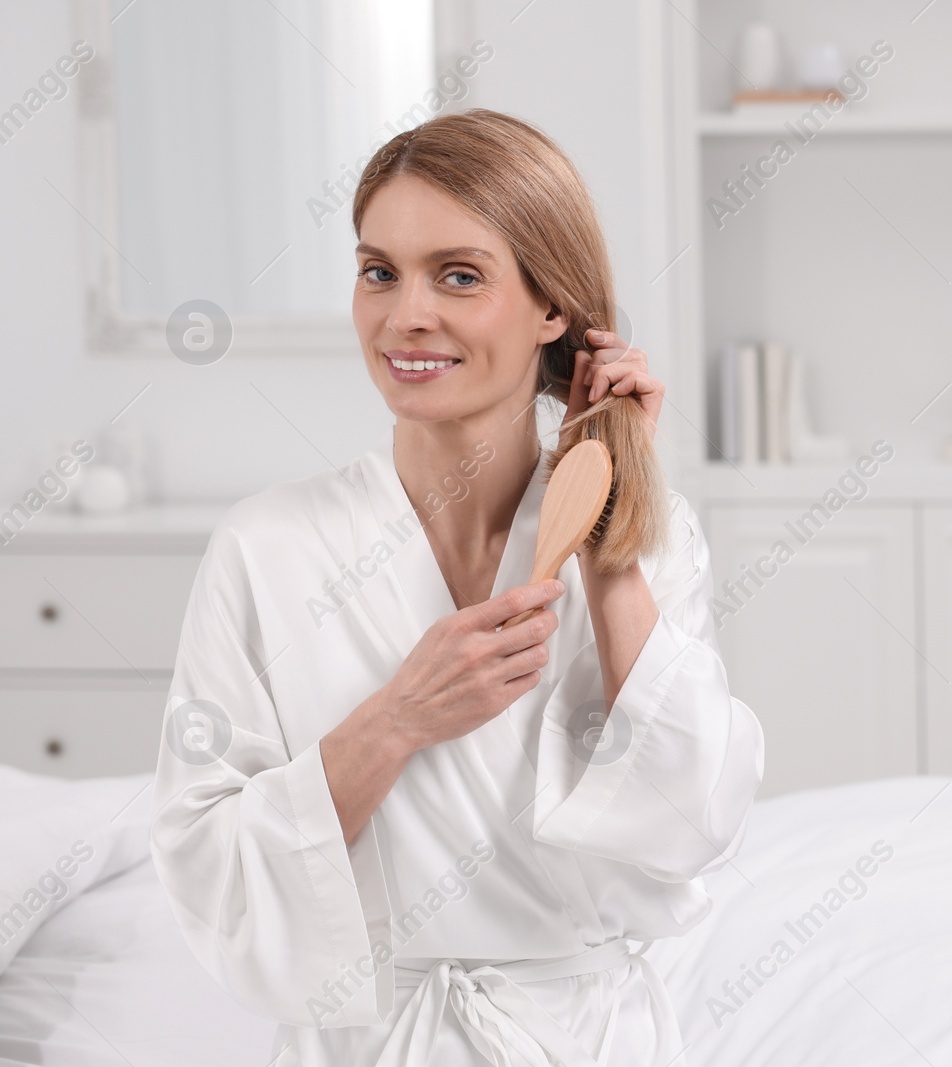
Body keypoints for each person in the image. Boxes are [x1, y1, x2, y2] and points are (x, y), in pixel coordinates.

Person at [149, 109, 764, 1066]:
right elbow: (206, 867)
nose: (405, 315)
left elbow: (694, 820)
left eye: (460, 275)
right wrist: (396, 718)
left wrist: (609, 553)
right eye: (377, 271)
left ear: (551, 308)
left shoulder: (652, 538)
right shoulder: (266, 546)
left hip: (580, 1040)